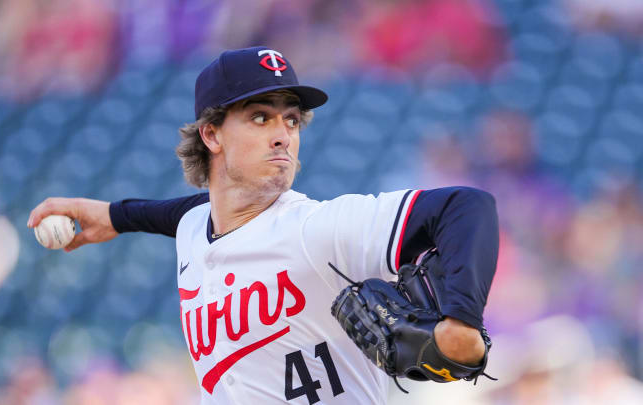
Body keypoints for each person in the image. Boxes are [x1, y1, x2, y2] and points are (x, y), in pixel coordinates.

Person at [28, 46, 498, 404]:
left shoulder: (319, 230)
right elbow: (181, 214)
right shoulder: (196, 225)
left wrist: (462, 320)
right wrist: (114, 216)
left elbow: (466, 207)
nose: (282, 135)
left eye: (291, 120)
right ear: (210, 133)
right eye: (259, 117)